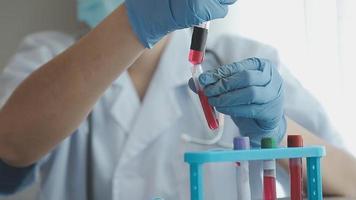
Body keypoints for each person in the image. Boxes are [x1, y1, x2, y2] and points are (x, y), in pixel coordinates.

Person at [0, 0, 355, 199]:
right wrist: (131, 24)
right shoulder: (48, 57)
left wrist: (276, 132)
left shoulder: (247, 62)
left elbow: (350, 183)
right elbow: (8, 149)